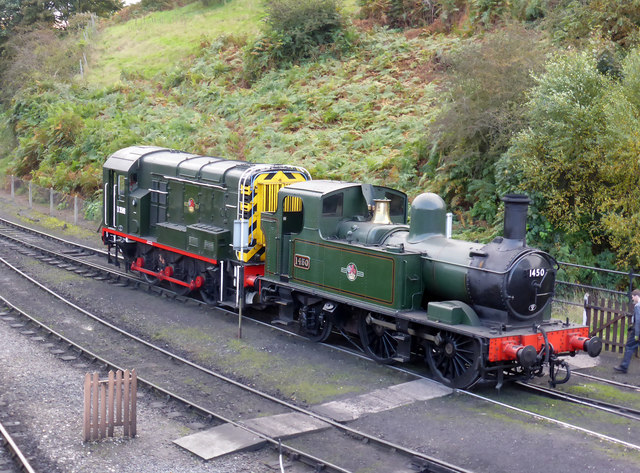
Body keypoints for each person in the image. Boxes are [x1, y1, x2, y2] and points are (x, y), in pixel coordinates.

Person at [614, 289, 640, 373]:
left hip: (637, 331)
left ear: (636, 296)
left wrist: (636, 334)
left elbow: (638, 320)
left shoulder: (638, 306)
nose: (632, 299)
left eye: (632, 297)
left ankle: (624, 367)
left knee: (629, 347)